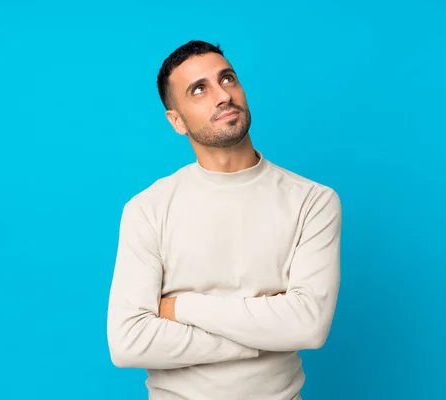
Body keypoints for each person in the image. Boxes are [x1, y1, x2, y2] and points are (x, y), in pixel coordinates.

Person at [106, 40, 342, 400]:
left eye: (227, 79)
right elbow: (129, 343)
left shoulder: (312, 201)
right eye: (199, 89)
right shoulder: (148, 208)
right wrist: (263, 334)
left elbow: (308, 326)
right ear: (177, 121)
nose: (222, 96)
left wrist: (181, 307)